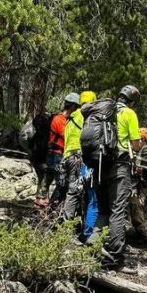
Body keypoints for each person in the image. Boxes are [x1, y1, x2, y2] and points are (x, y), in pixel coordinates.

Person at [96, 85, 142, 269]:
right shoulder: (129, 113)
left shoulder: (104, 111)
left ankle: (94, 245)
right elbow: (136, 144)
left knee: (103, 208)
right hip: (119, 164)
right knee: (118, 209)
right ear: (131, 101)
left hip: (100, 164)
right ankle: (114, 255)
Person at [57, 90, 95, 225]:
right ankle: (67, 225)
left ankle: (60, 217)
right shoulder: (84, 115)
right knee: (74, 191)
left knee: (67, 189)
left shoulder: (70, 118)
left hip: (66, 157)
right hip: (77, 157)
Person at [37, 93, 78, 207]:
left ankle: (41, 203)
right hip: (57, 155)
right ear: (73, 107)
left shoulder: (62, 119)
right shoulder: (60, 120)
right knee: (62, 184)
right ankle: (51, 206)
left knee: (48, 179)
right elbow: (67, 136)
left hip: (54, 155)